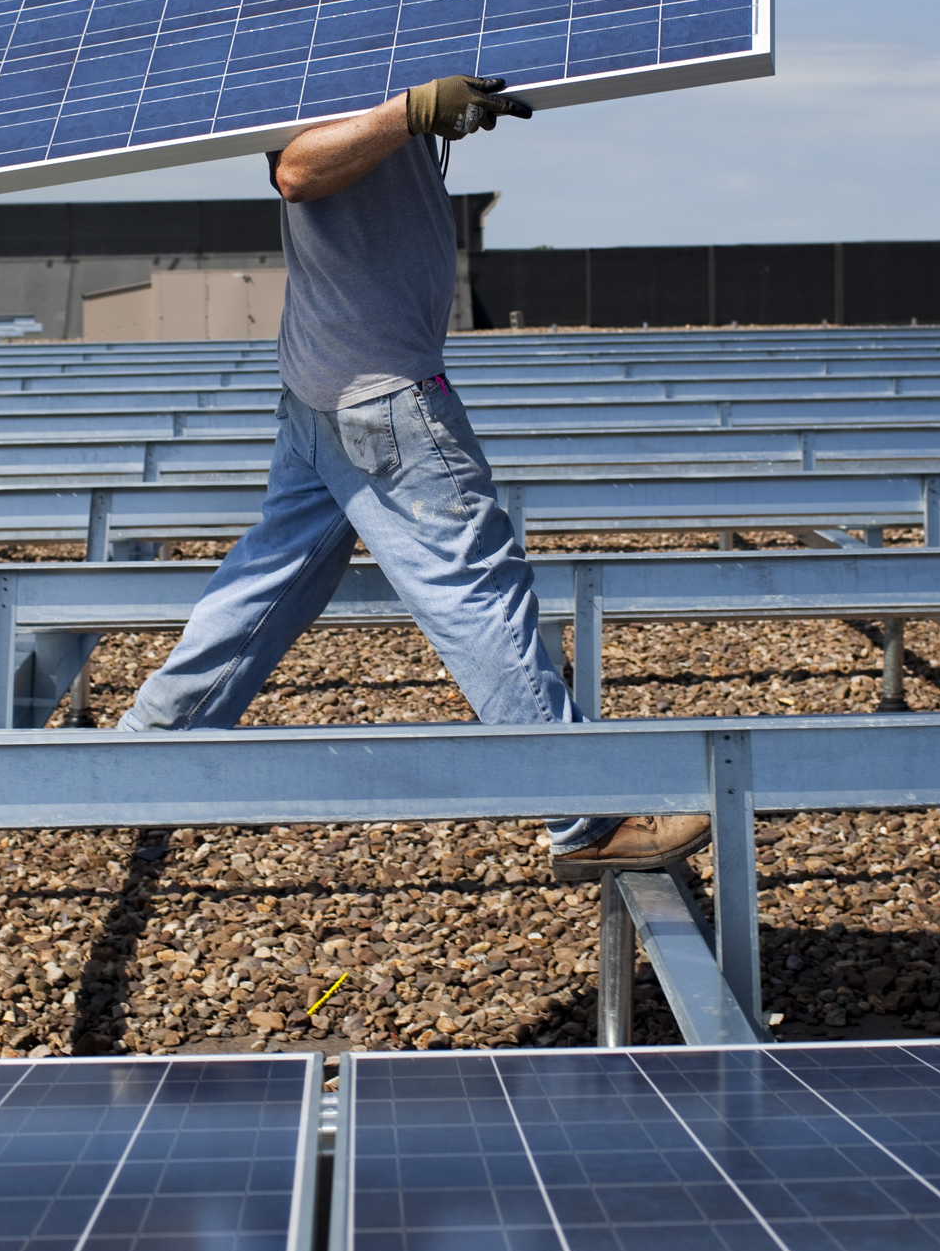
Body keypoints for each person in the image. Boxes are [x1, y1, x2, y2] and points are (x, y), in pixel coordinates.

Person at [118, 73, 710, 879]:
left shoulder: (375, 26)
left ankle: (148, 751)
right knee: (476, 589)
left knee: (270, 576)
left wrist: (423, 116)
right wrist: (409, 113)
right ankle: (585, 812)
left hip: (323, 386)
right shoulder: (313, 48)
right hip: (381, 396)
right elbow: (295, 170)